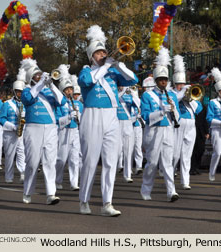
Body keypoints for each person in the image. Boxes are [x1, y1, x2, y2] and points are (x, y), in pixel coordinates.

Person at [78, 25, 138, 216]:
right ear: (91, 57)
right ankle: (84, 200)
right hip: (92, 115)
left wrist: (117, 64)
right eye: (98, 53)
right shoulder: (85, 71)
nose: (102, 54)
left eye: (104, 51)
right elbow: (87, 82)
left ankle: (107, 203)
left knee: (111, 160)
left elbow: (133, 79)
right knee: (90, 160)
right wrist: (104, 66)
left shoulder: (112, 73)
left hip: (112, 116)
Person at [20, 58, 65, 205]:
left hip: (51, 128)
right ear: (31, 78)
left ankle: (51, 194)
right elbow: (28, 99)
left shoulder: (48, 90)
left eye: (40, 75)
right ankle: (27, 191)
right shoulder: (27, 90)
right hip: (33, 128)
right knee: (32, 163)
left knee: (49, 162)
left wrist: (52, 85)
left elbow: (62, 101)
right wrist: (40, 83)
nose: (40, 77)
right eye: (37, 75)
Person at [140, 47, 179, 202]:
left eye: (165, 80)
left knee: (168, 163)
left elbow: (178, 119)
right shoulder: (147, 95)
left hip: (168, 130)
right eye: (161, 79)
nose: (164, 82)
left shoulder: (173, 96)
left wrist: (173, 108)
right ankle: (145, 189)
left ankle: (172, 192)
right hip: (154, 131)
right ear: (156, 81)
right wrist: (162, 111)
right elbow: (145, 117)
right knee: (153, 163)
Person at [172, 55, 202, 190]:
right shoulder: (171, 93)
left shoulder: (188, 94)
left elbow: (199, 109)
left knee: (187, 154)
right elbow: (172, 102)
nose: (182, 86)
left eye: (183, 84)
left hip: (191, 123)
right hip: (178, 123)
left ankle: (185, 181)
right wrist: (181, 95)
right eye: (179, 84)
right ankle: (170, 175)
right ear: (174, 84)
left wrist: (190, 99)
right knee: (175, 153)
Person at [55, 66, 82, 191]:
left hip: (75, 131)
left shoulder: (79, 104)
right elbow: (57, 121)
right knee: (61, 159)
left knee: (74, 158)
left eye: (71, 89)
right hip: (63, 131)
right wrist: (68, 117)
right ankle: (58, 180)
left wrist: (79, 117)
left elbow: (82, 120)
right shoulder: (59, 103)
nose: (70, 91)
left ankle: (74, 182)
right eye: (67, 89)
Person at [0, 68, 26, 183]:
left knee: (21, 153)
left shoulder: (25, 104)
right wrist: (13, 127)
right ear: (14, 92)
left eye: (21, 91)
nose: (20, 93)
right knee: (9, 156)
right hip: (10, 133)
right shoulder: (7, 104)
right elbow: (1, 119)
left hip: (21, 132)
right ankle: (9, 176)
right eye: (18, 91)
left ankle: (22, 173)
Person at [117, 86, 137, 183]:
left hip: (128, 123)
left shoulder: (129, 96)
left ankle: (127, 174)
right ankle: (116, 167)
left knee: (128, 150)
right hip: (116, 123)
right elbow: (114, 99)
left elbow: (138, 104)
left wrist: (134, 93)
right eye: (120, 85)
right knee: (116, 150)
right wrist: (123, 91)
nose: (121, 87)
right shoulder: (114, 93)